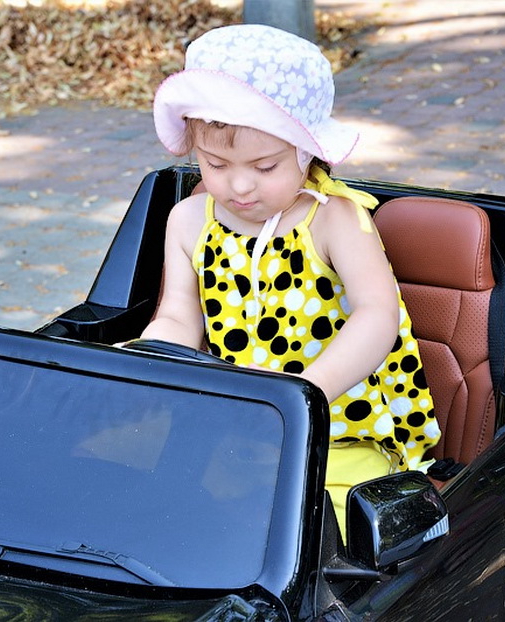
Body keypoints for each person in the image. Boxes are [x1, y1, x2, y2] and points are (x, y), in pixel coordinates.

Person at [142, 24, 440, 537]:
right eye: (215, 163)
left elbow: (377, 314)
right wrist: (150, 360)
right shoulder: (189, 221)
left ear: (306, 151)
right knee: (185, 518)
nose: (239, 184)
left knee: (328, 537)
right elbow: (177, 316)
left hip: (341, 430)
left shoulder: (334, 220)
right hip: (239, 428)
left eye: (265, 166)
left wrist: (304, 396)